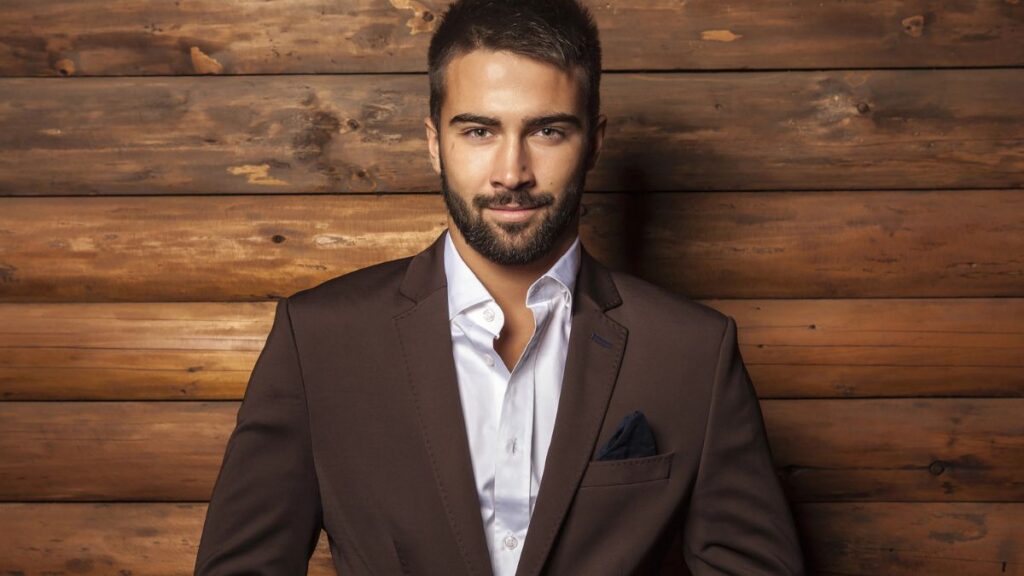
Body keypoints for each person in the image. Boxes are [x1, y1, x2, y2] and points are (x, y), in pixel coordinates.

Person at [193, 0, 805, 574]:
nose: (512, 174)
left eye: (548, 131)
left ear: (595, 142)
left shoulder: (693, 351)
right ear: (435, 143)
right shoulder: (320, 341)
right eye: (479, 131)